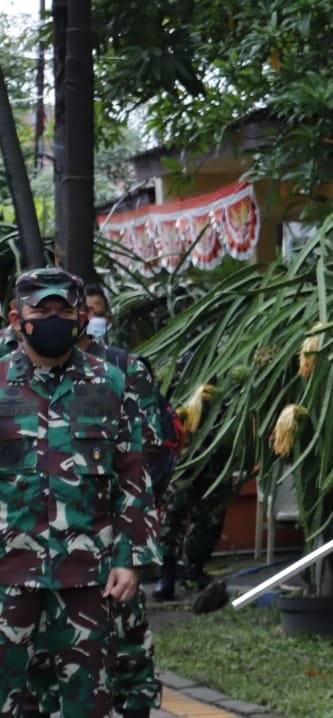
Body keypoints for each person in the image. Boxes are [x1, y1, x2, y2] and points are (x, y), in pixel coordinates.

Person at [0, 268, 158, 718]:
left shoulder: (110, 383)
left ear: (82, 318)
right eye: (41, 310)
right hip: (8, 572)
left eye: (64, 310)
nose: (54, 318)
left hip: (89, 576)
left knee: (88, 701)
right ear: (17, 318)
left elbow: (132, 476)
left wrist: (128, 558)